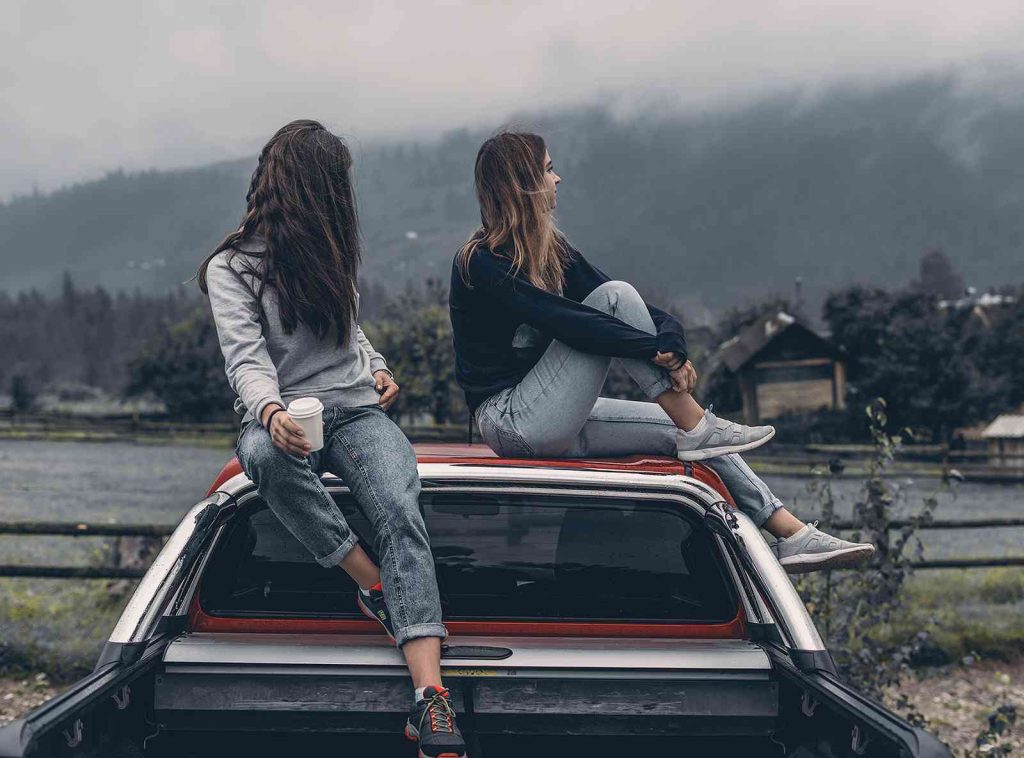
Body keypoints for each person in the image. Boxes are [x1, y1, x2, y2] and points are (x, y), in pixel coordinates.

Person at [449, 131, 874, 573]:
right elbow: (569, 321)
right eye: (549, 169)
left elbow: (636, 309)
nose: (558, 179)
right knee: (615, 299)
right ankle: (697, 423)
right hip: (511, 420)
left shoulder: (550, 251)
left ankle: (791, 533)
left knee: (686, 436)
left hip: (554, 416)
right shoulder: (479, 262)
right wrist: (653, 351)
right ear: (524, 183)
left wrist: (672, 343)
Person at [196, 120, 465, 758]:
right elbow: (245, 357)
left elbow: (351, 331)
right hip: (286, 416)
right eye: (337, 184)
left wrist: (378, 367)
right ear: (310, 189)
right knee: (260, 455)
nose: (345, 196)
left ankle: (430, 698)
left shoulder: (330, 254)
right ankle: (372, 582)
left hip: (358, 410)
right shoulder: (232, 268)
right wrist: (269, 411)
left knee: (399, 506)